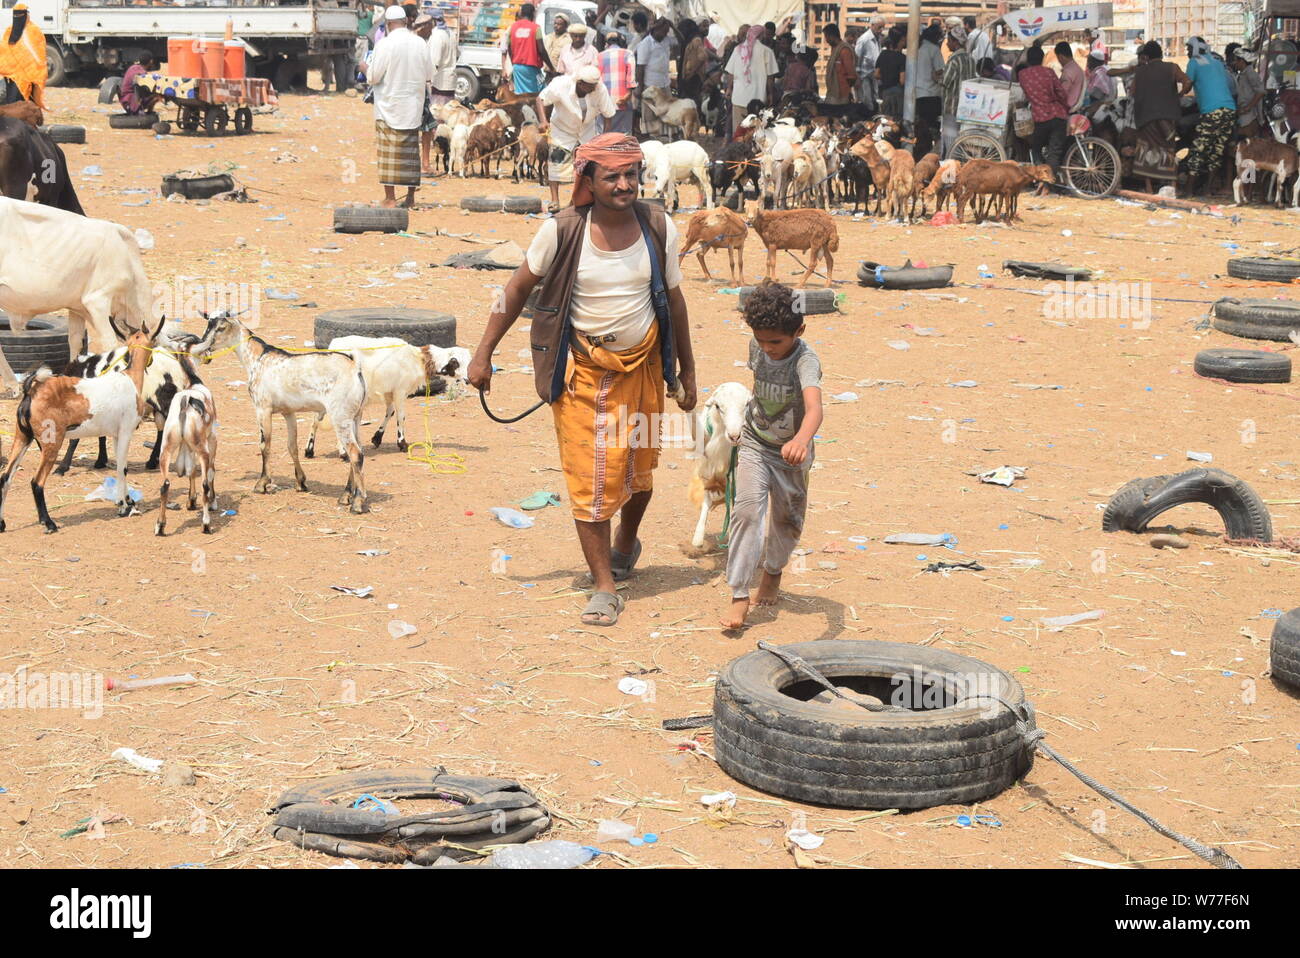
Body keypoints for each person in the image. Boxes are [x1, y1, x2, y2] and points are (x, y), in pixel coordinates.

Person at [466, 134, 697, 628]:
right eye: (612, 176)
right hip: (581, 373)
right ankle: (604, 586)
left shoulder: (658, 226)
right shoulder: (563, 231)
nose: (624, 184)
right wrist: (483, 353)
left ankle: (624, 545)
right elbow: (515, 290)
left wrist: (687, 371)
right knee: (589, 478)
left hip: (646, 369)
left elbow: (674, 301)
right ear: (587, 180)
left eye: (631, 174)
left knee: (639, 468)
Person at [720, 281, 823, 631]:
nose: (768, 348)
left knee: (786, 520)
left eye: (776, 342)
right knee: (746, 511)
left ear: (799, 330)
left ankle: (773, 571)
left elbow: (814, 408)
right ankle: (738, 592)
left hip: (792, 455)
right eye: (761, 340)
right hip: (755, 442)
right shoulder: (757, 346)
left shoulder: (806, 361)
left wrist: (802, 440)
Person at [358, 6, 431, 209]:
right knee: (410, 155)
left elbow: (373, 77)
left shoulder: (385, 44)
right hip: (412, 107)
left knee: (388, 155)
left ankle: (390, 197)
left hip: (388, 106)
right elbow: (428, 74)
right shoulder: (420, 43)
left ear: (389, 25)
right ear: (406, 22)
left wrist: (364, 68)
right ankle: (410, 198)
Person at [537, 65, 615, 211]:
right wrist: (543, 121)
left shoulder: (600, 89)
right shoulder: (561, 84)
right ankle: (555, 200)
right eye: (590, 86)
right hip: (562, 129)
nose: (594, 88)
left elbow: (608, 115)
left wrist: (604, 139)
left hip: (586, 131)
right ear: (580, 84)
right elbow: (540, 99)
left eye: (595, 85)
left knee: (586, 167)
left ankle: (576, 201)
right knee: (556, 163)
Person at [1128, 41, 1186, 192]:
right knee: (1168, 150)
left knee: (1147, 150)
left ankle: (1149, 189)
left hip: (1146, 117)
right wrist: (1179, 94)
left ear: (1146, 56)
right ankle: (1172, 186)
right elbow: (1187, 81)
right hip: (1168, 117)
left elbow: (1132, 92)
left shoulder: (1140, 72)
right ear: (1161, 54)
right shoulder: (1172, 67)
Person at [1184, 36, 1237, 194]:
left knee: (1198, 149)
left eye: (1188, 49)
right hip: (1229, 110)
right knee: (1217, 150)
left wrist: (1178, 93)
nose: (1187, 52)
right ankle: (1208, 189)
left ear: (1194, 49)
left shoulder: (1194, 62)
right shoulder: (1217, 63)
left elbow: (1187, 85)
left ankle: (1188, 190)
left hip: (1212, 111)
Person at [1018, 44, 1070, 183]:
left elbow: (1026, 95)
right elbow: (1061, 93)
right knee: (1054, 151)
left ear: (1028, 60)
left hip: (1039, 117)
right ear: (1042, 59)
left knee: (1036, 148)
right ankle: (1048, 184)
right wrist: (1066, 107)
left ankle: (1042, 179)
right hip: (1057, 115)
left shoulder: (1023, 75)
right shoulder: (1049, 72)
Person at [724, 25, 777, 133]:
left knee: (739, 131)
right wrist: (770, 93)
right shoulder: (767, 51)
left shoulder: (737, 49)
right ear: (761, 36)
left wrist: (729, 88)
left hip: (739, 98)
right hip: (758, 100)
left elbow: (730, 72)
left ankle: (738, 148)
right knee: (756, 131)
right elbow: (770, 77)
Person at [0, 3, 46, 108]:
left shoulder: (34, 31)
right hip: (12, 76)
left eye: (19, 16)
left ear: (26, 15)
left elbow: (39, 54)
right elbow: (4, 51)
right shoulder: (9, 31)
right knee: (13, 103)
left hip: (30, 76)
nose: (17, 19)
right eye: (15, 16)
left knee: (26, 105)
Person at [501, 3, 553, 96]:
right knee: (541, 93)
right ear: (533, 13)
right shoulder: (536, 28)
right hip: (532, 68)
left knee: (521, 95)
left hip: (517, 67)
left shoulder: (513, 27)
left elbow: (509, 47)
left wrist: (514, 62)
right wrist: (551, 67)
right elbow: (541, 50)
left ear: (521, 13)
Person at [941, 26, 976, 156]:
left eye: (949, 40)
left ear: (955, 42)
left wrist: (936, 76)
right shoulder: (970, 59)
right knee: (962, 142)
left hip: (952, 107)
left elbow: (945, 82)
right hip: (967, 107)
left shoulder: (954, 60)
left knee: (951, 143)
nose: (947, 43)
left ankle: (951, 168)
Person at [914, 24, 945, 157]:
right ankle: (933, 156)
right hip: (932, 94)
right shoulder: (934, 49)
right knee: (933, 128)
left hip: (918, 94)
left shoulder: (917, 48)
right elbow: (939, 71)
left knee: (922, 128)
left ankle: (921, 154)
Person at [598, 30, 636, 134]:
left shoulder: (599, 56)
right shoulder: (628, 54)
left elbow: (597, 80)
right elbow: (631, 77)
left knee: (604, 134)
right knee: (623, 134)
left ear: (607, 43)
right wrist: (628, 95)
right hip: (622, 100)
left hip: (604, 101)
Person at [1231, 48, 1265, 138]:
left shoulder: (1250, 73)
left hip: (1249, 116)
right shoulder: (1242, 74)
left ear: (1241, 61)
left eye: (1235, 60)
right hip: (1243, 114)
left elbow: (1261, 92)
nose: (1234, 63)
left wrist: (1247, 108)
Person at [677, 18, 709, 107]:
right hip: (692, 79)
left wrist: (691, 72)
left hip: (692, 80)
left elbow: (703, 56)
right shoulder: (694, 39)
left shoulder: (696, 40)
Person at [875, 29, 906, 118]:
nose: (904, 43)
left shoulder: (883, 54)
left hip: (885, 92)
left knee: (886, 119)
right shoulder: (902, 57)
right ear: (898, 42)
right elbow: (902, 80)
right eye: (903, 40)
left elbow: (876, 74)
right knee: (897, 120)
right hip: (898, 93)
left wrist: (886, 77)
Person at [855, 16, 884, 109]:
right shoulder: (864, 39)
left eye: (883, 27)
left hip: (874, 74)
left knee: (875, 99)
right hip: (864, 75)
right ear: (872, 25)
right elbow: (857, 57)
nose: (881, 30)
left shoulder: (878, 38)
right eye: (879, 27)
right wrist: (857, 75)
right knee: (867, 101)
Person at [823, 23, 856, 105]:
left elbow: (851, 76)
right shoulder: (834, 49)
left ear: (832, 36)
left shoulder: (844, 50)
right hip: (832, 92)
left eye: (826, 37)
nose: (826, 40)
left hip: (841, 95)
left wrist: (846, 91)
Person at [1055, 41, 1086, 113]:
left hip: (1068, 107)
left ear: (1060, 56)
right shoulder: (1075, 67)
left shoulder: (1068, 71)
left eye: (1058, 58)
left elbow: (1062, 92)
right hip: (1074, 105)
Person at [544, 12, 571, 80]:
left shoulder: (569, 40)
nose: (556, 26)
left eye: (559, 24)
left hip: (561, 75)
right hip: (548, 74)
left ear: (566, 26)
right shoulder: (548, 37)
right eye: (555, 23)